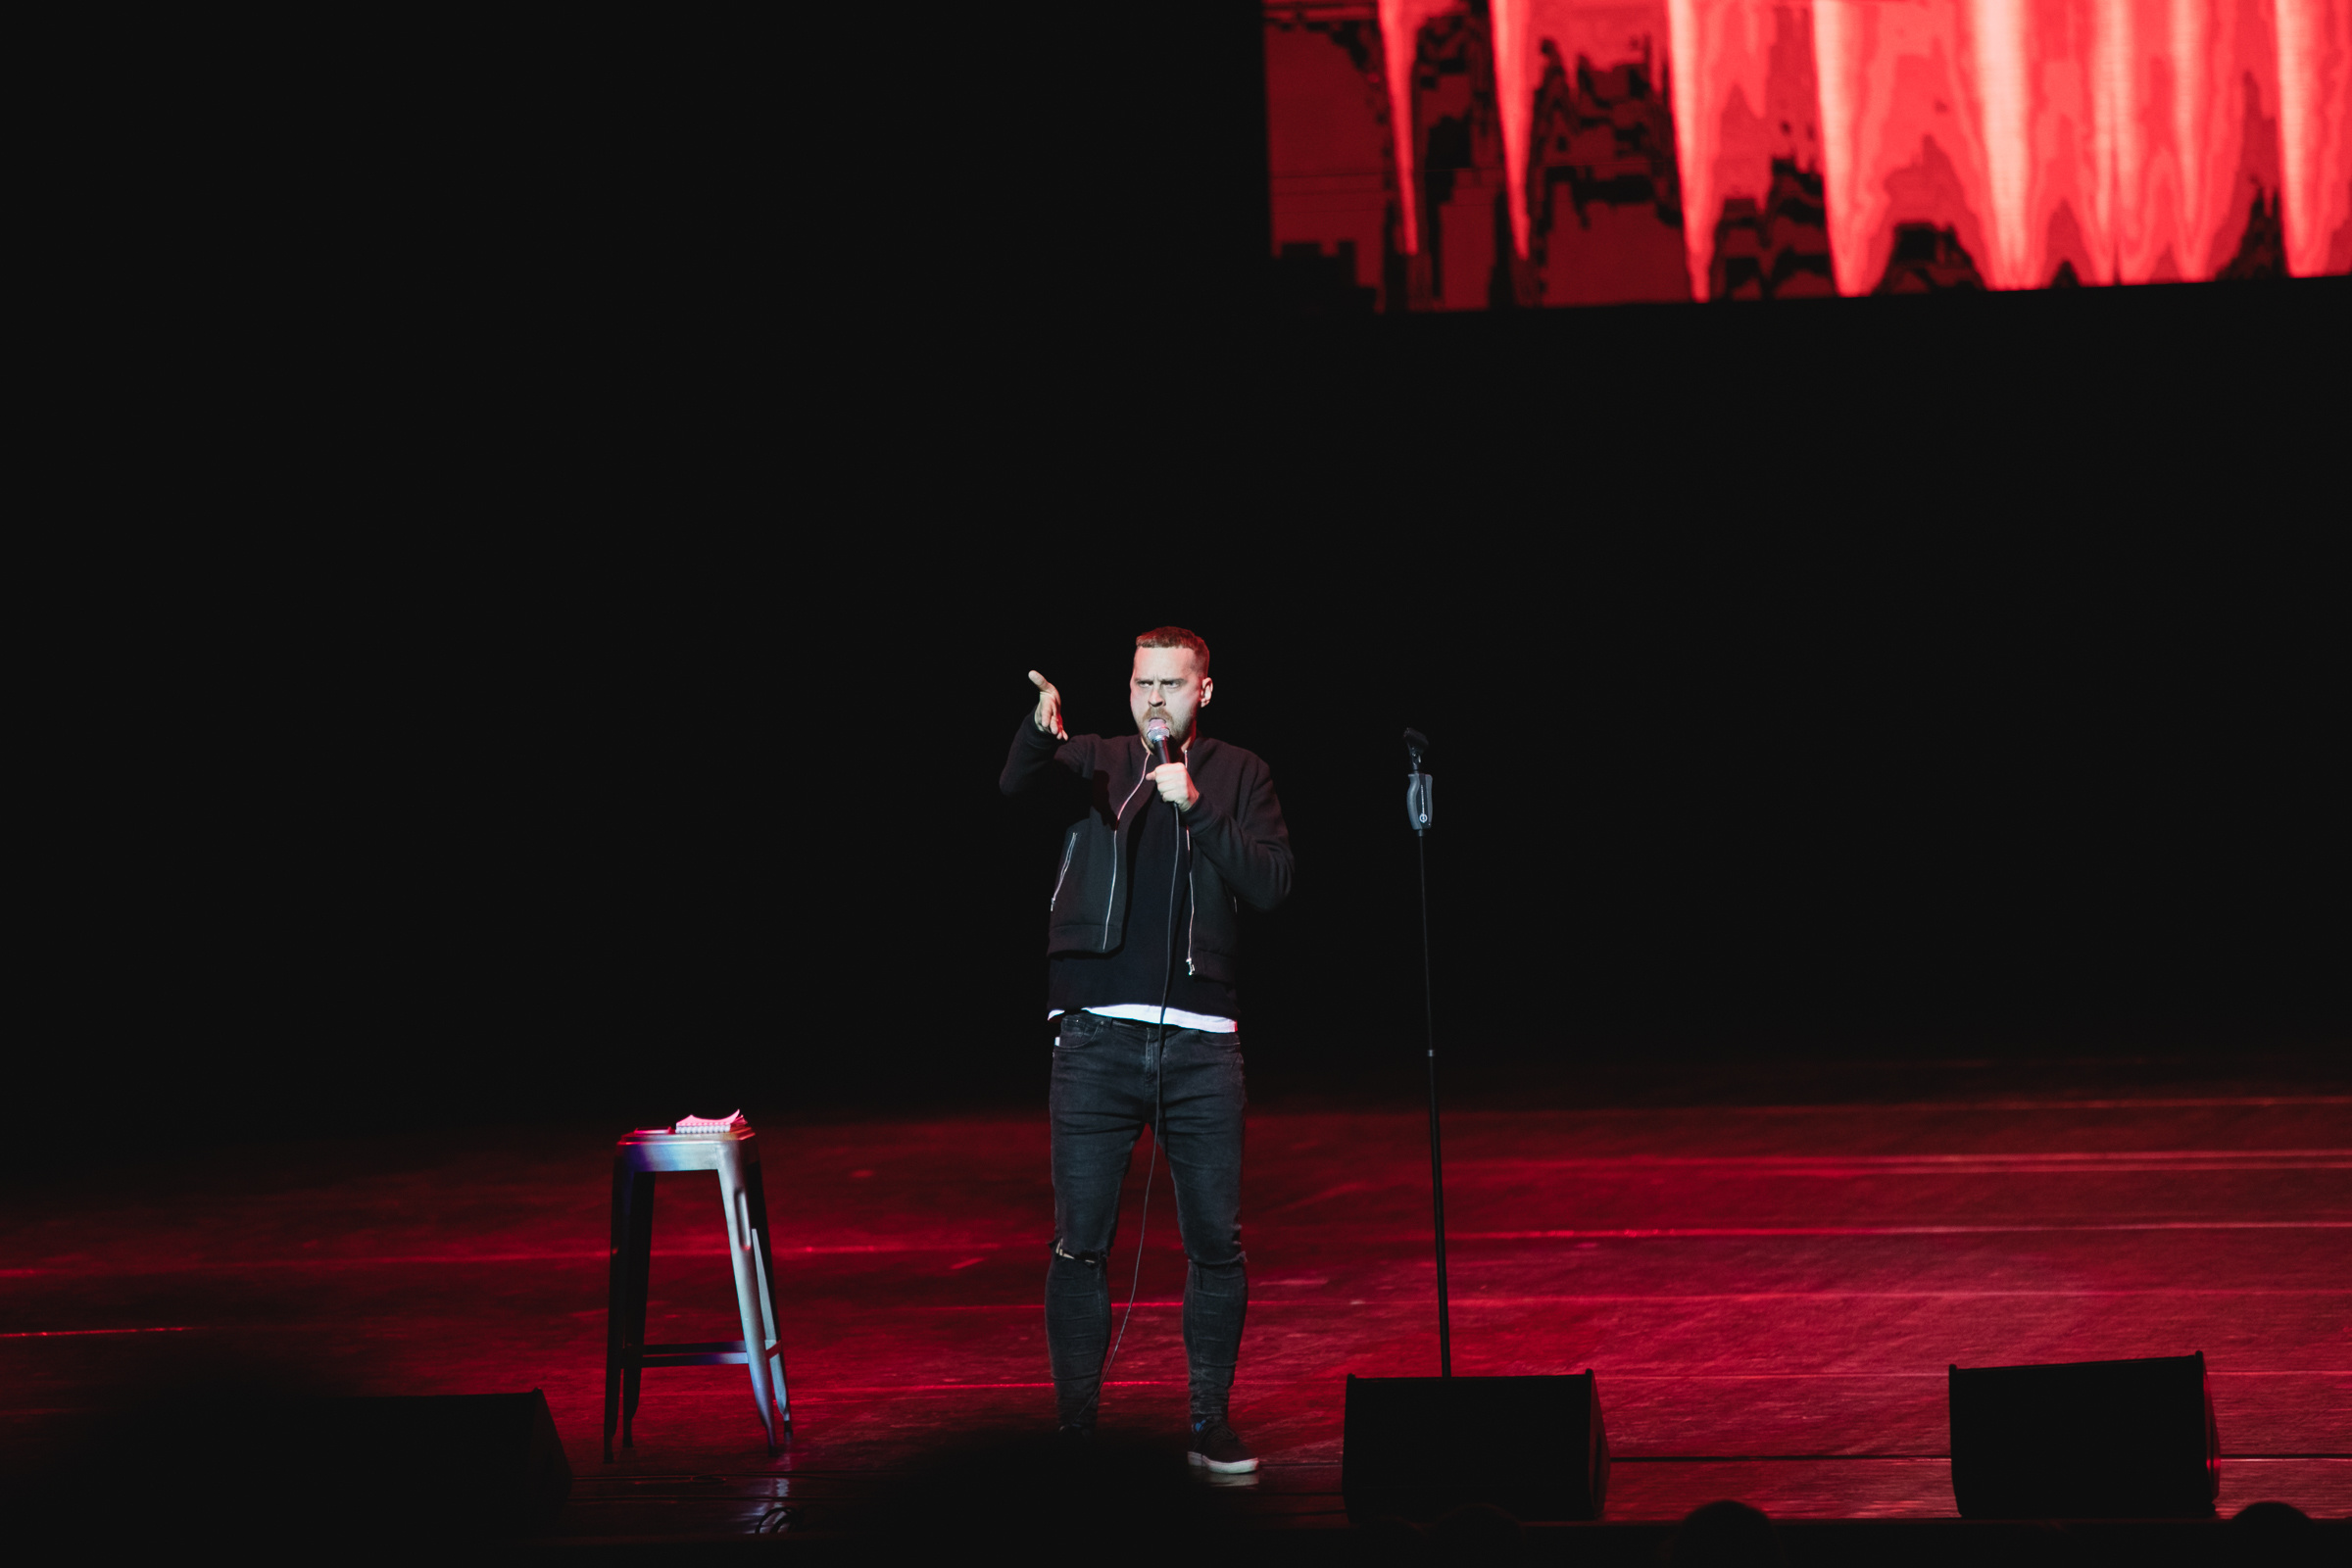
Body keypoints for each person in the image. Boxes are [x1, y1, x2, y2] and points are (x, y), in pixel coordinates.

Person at [1000, 626, 1294, 1474]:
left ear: (1205, 691)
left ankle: (1209, 1424)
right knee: (1079, 1240)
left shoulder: (1239, 773)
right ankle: (1076, 1434)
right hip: (1094, 1035)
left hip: (1201, 1044)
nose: (1153, 698)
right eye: (1141, 683)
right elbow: (1016, 786)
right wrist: (1036, 732)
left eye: (1171, 683)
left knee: (1215, 1242)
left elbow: (1273, 883)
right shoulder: (1091, 759)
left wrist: (1197, 807)